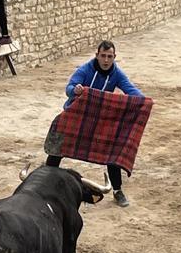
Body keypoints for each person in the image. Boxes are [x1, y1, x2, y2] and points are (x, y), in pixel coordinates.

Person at [53, 41, 145, 208]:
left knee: (112, 152)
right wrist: (76, 90)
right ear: (97, 55)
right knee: (58, 147)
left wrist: (145, 101)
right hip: (78, 115)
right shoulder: (85, 69)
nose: (106, 60)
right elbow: (69, 88)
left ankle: (117, 190)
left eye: (109, 56)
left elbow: (131, 90)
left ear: (114, 58)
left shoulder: (117, 73)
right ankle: (46, 178)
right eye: (103, 56)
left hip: (100, 118)